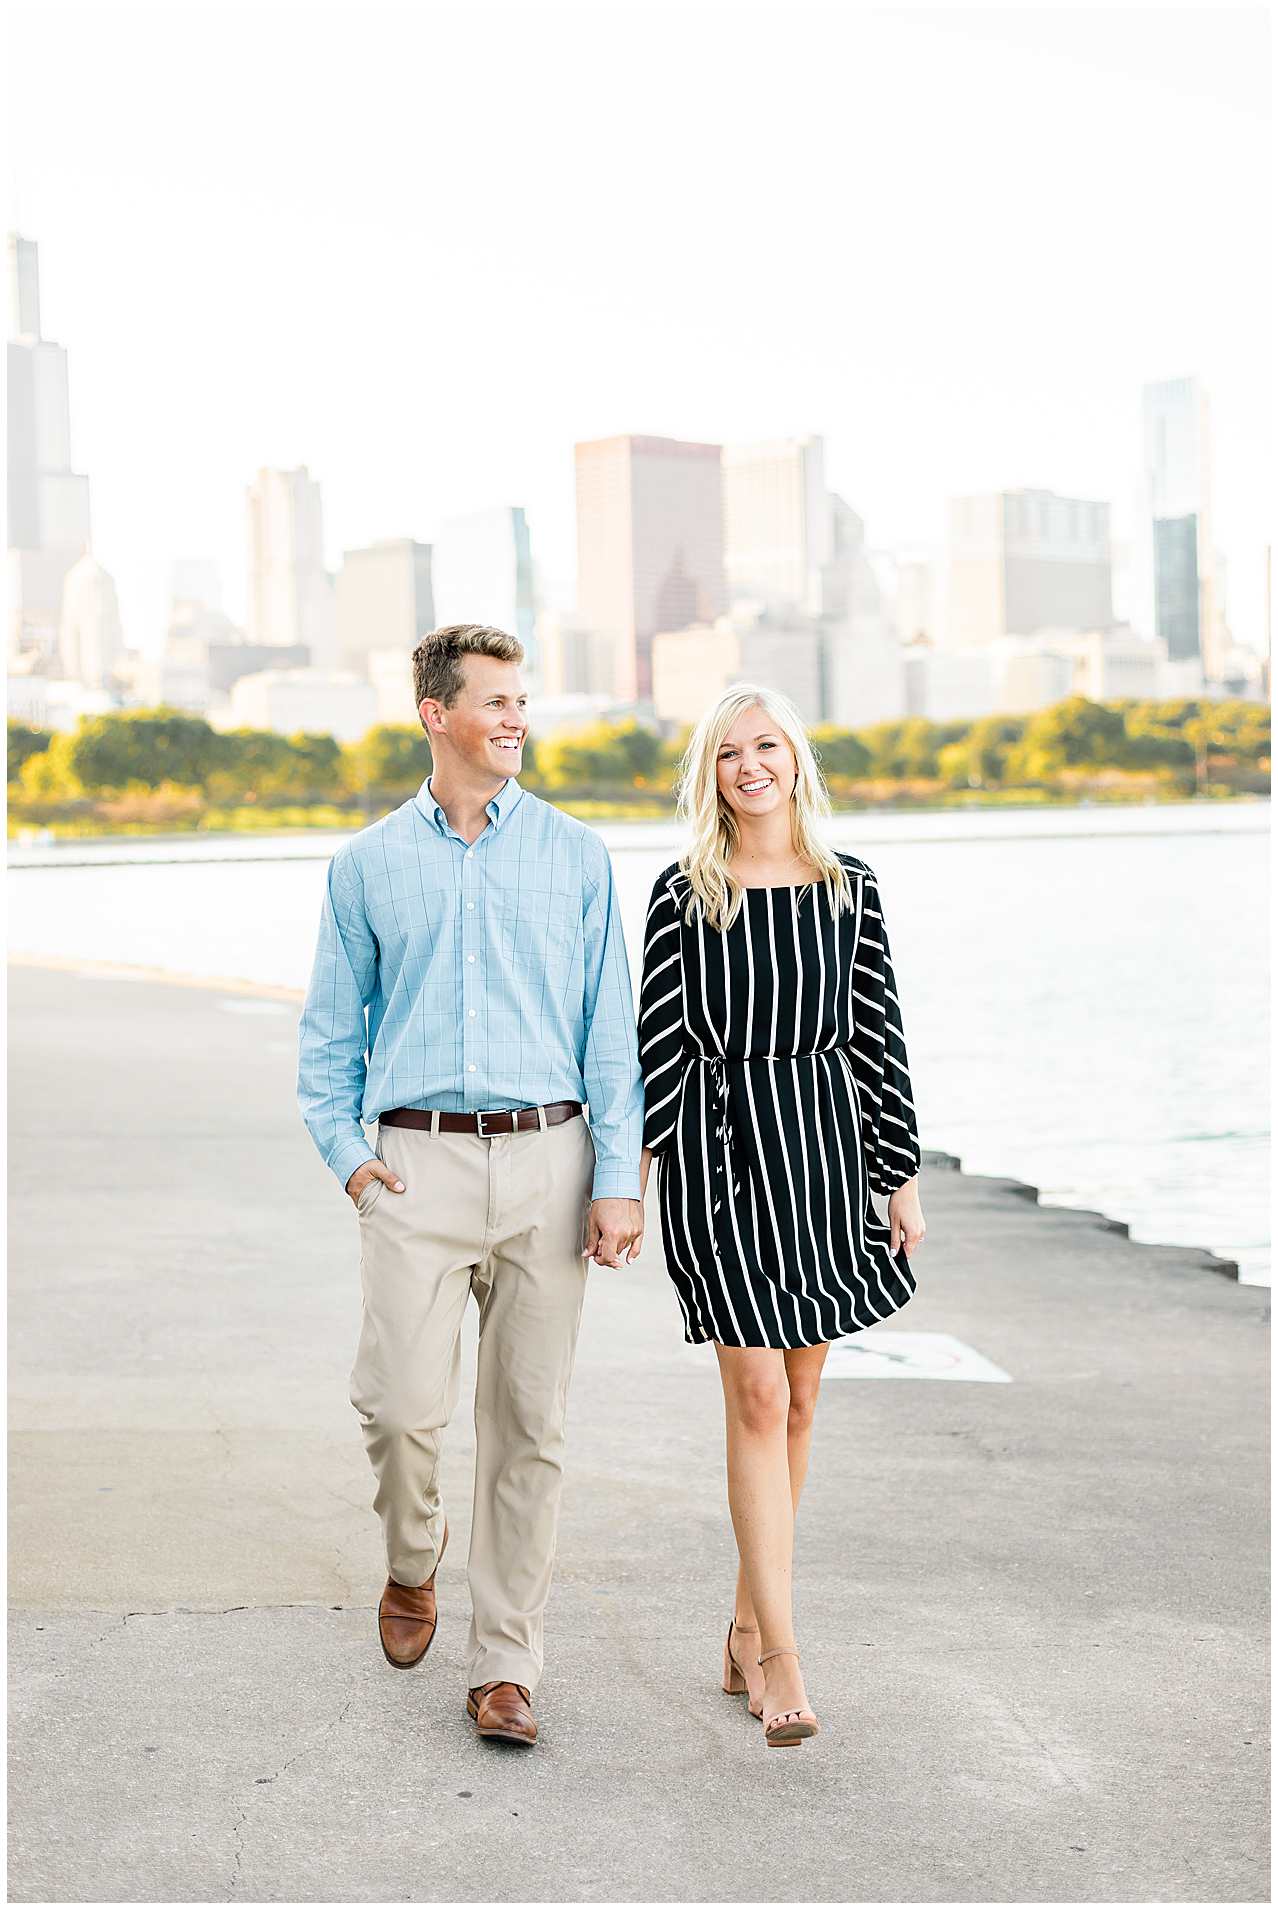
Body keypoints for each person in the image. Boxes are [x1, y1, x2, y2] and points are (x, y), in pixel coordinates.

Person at [298, 623, 644, 1749]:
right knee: (400, 1405)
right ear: (435, 716)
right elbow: (324, 1048)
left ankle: (506, 1665)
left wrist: (614, 1177)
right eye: (493, 701)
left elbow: (611, 1034)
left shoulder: (577, 855)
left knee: (529, 1423)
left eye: (522, 700)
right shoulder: (366, 866)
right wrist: (355, 1163)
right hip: (416, 1161)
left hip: (551, 1157)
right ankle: (411, 1563)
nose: (515, 720)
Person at [635, 683, 926, 1749]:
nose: (749, 764)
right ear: (708, 775)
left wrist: (897, 1174)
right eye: (727, 752)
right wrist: (629, 1183)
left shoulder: (852, 889)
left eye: (765, 745)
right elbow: (656, 1052)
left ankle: (746, 1615)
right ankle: (780, 1657)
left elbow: (878, 1038)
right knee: (757, 1394)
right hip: (721, 1166)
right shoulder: (685, 893)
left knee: (801, 1398)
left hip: (826, 1159)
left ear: (795, 758)